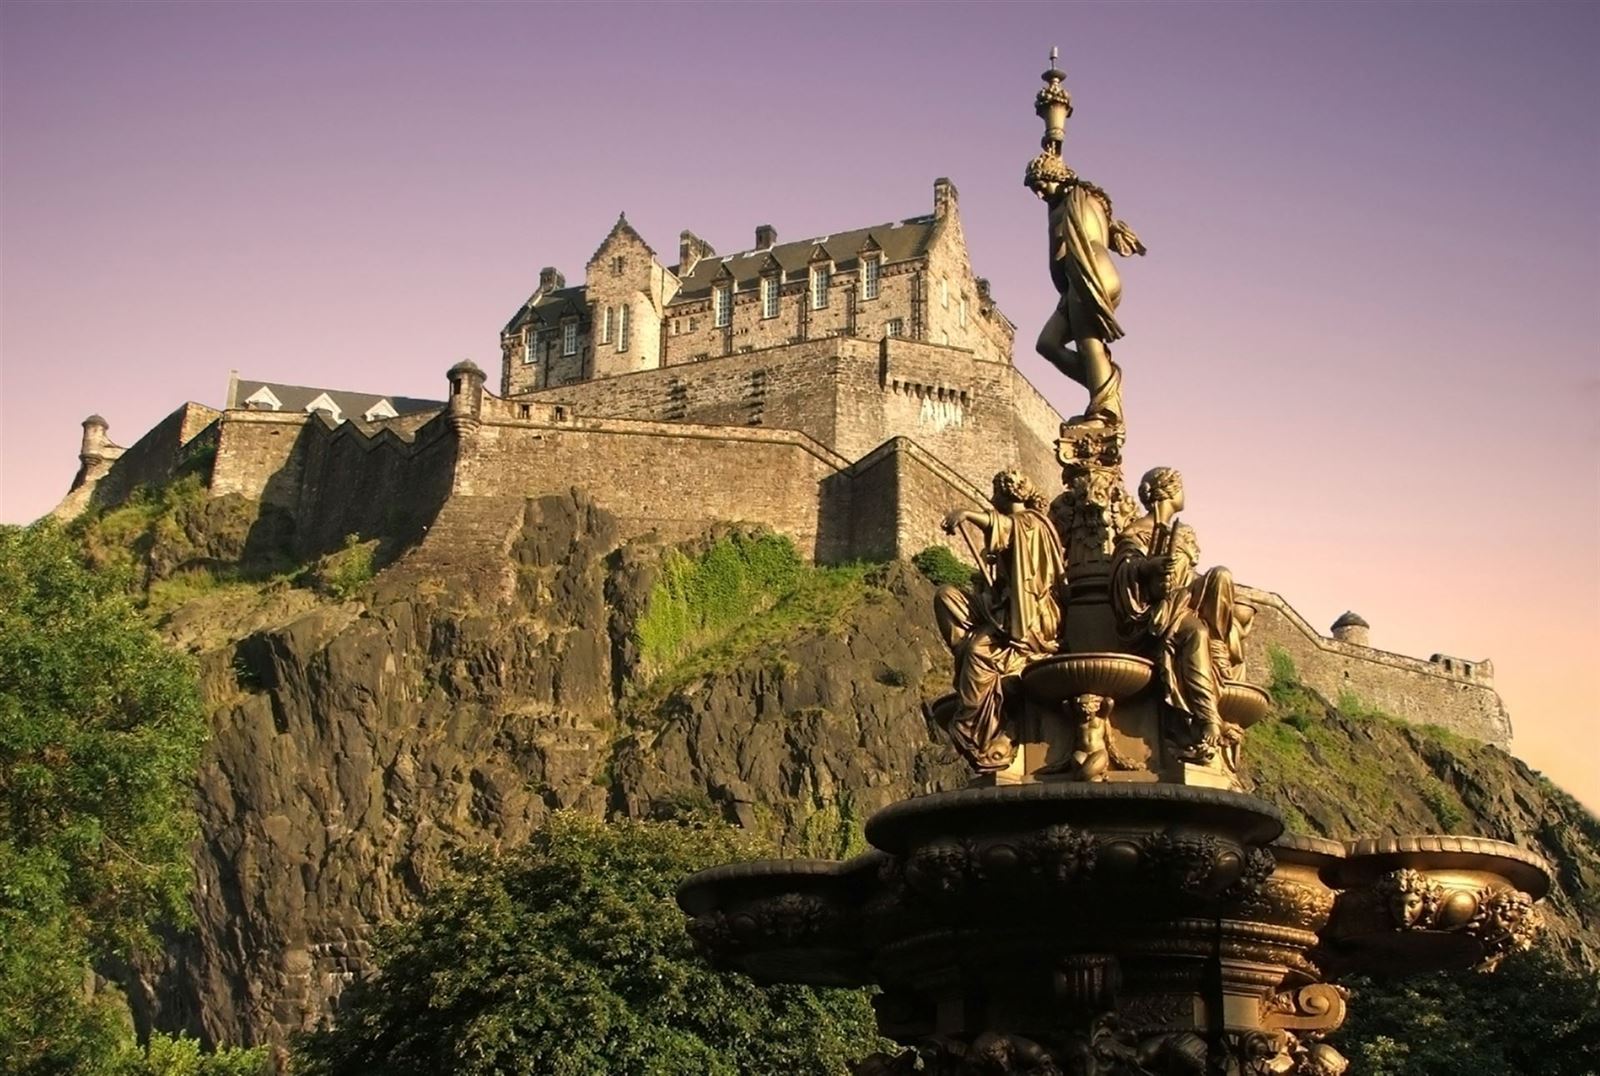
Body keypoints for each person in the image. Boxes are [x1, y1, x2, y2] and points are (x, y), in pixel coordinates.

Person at [934, 469, 1065, 771]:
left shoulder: (1032, 523)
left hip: (1031, 616)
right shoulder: (1015, 526)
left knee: (979, 651)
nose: (992, 497)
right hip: (1001, 607)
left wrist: (968, 513)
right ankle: (968, 652)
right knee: (947, 597)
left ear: (1009, 493)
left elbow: (1006, 526)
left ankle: (968, 726)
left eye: (996, 491)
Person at [1110, 467, 1241, 762]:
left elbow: (1188, 577)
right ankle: (1207, 717)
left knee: (1221, 576)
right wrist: (1149, 567)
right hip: (1159, 612)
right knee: (1196, 632)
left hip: (1184, 599)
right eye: (1180, 487)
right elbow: (1122, 571)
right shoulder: (1136, 531)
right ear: (1167, 491)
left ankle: (1217, 646)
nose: (1184, 494)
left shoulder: (1182, 532)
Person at [1034, 173, 1145, 428]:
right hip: (1099, 271)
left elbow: (1057, 258)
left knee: (1088, 343)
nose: (1041, 195)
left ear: (1057, 178)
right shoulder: (1088, 200)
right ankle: (1103, 391)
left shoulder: (1065, 204)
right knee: (1048, 343)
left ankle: (1104, 412)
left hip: (1087, 271)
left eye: (1041, 186)